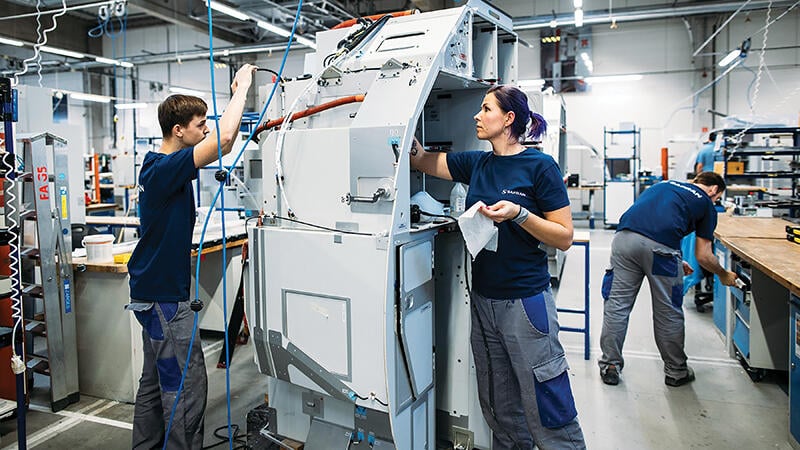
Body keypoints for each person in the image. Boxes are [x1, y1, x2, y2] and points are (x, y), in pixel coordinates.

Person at [411, 85, 586, 449]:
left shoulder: (540, 166)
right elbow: (424, 160)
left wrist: (519, 214)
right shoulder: (478, 163)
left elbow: (563, 236)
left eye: (486, 109)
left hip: (525, 303)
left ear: (508, 120)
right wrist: (400, 130)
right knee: (498, 401)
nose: (477, 115)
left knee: (545, 401)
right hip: (484, 300)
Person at [126, 63, 257, 449]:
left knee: (154, 386)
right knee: (186, 389)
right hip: (166, 300)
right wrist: (242, 89)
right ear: (178, 130)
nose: (206, 129)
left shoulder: (162, 168)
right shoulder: (166, 167)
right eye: (201, 123)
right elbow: (228, 139)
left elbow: (220, 140)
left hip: (151, 294)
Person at [598, 172, 739, 387]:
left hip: (623, 241)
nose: (715, 201)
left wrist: (676, 259)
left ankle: (610, 365)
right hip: (661, 252)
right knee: (668, 311)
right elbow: (704, 256)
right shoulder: (707, 204)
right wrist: (723, 274)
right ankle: (676, 371)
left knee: (616, 305)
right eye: (717, 197)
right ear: (714, 190)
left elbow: (651, 223)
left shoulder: (663, 186)